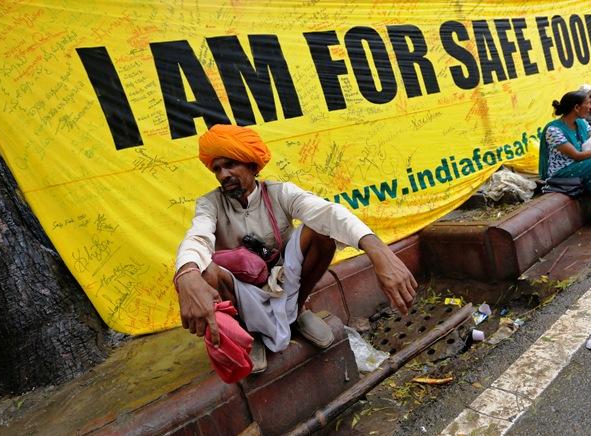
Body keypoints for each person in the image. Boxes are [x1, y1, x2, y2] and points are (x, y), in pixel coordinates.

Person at [173, 124, 417, 373]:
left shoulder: (281, 193)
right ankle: (248, 331)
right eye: (217, 169)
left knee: (321, 230)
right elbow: (197, 236)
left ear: (253, 166)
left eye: (231, 165)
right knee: (205, 272)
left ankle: (297, 311)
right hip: (243, 290)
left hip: (285, 283)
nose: (223, 175)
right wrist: (186, 274)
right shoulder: (210, 203)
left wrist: (378, 251)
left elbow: (327, 212)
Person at [539, 90, 591, 222]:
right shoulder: (554, 130)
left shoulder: (582, 123)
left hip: (582, 164)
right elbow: (577, 156)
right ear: (576, 107)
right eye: (587, 103)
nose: (590, 107)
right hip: (563, 171)